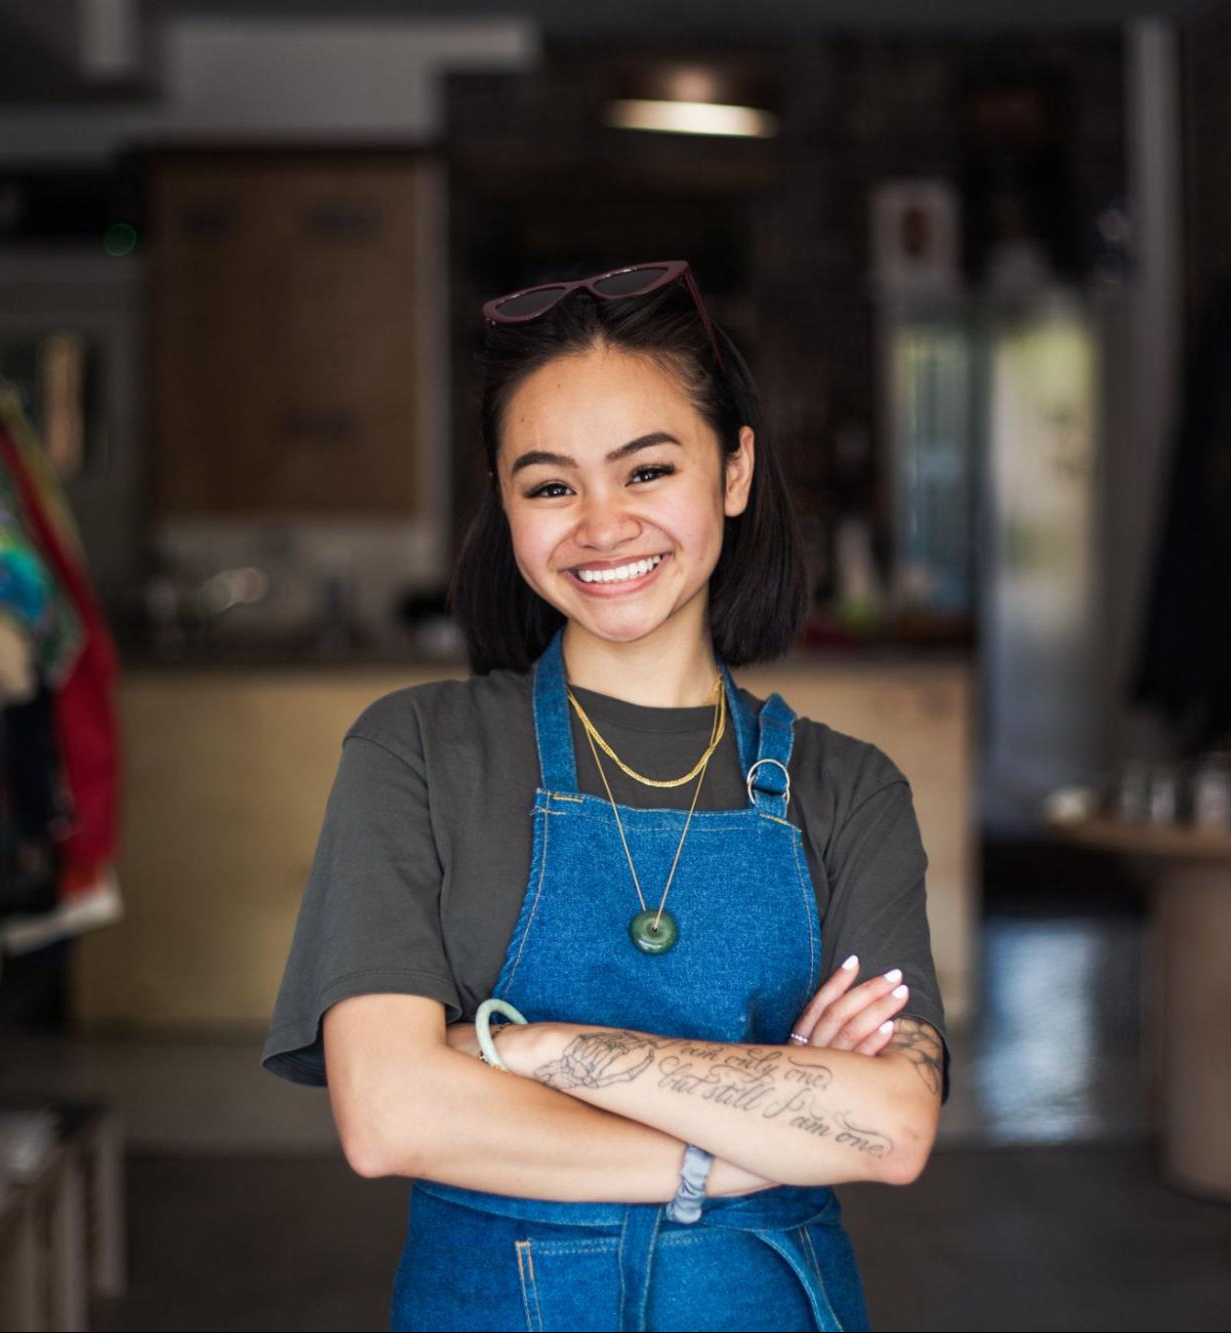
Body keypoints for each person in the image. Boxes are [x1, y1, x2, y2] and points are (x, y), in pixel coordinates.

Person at [262, 260, 950, 1331]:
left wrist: (526, 1048)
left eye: (646, 471)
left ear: (732, 471)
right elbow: (390, 1113)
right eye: (549, 485)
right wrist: (745, 1137)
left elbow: (892, 1127)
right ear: (504, 501)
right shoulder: (417, 751)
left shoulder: (849, 789)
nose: (600, 525)